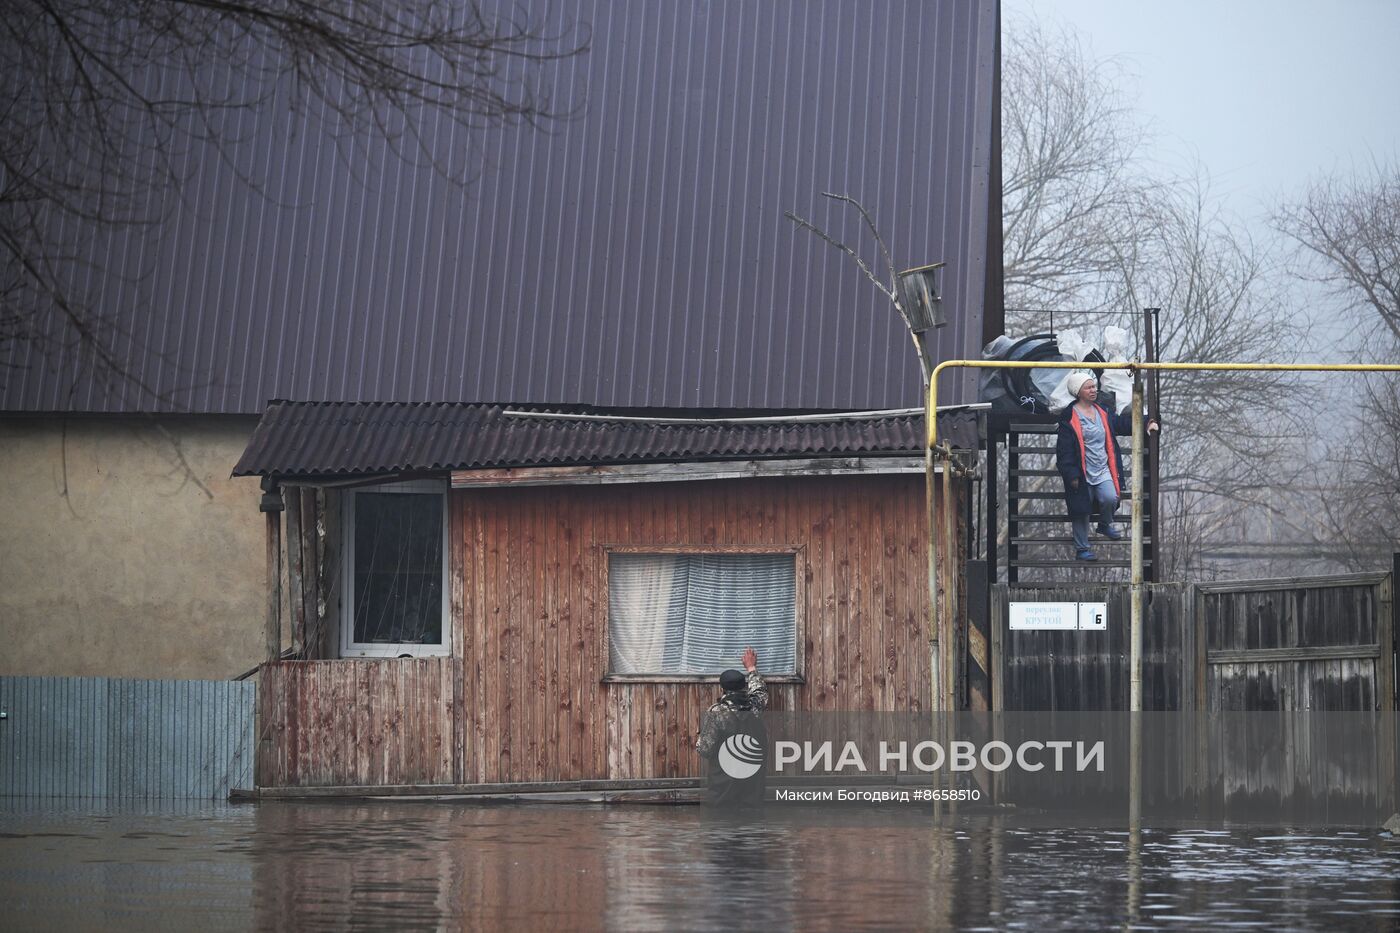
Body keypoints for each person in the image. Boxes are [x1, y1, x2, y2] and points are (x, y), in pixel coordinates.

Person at [1055, 372, 1158, 561]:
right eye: (1089, 387)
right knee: (1081, 510)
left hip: (1102, 469)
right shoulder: (1068, 417)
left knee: (1110, 497)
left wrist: (1146, 423)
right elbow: (1064, 451)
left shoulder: (1102, 412)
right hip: (1081, 472)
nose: (1094, 390)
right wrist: (1072, 475)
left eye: (1094, 386)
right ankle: (1082, 549)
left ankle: (1104, 524)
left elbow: (1121, 424)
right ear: (1078, 392)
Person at [695, 647, 768, 805]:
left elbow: (705, 750)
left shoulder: (717, 712)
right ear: (744, 687)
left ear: (723, 689)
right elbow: (760, 690)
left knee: (723, 826)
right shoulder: (755, 706)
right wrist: (751, 668)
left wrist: (700, 736)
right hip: (752, 789)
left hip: (723, 790)